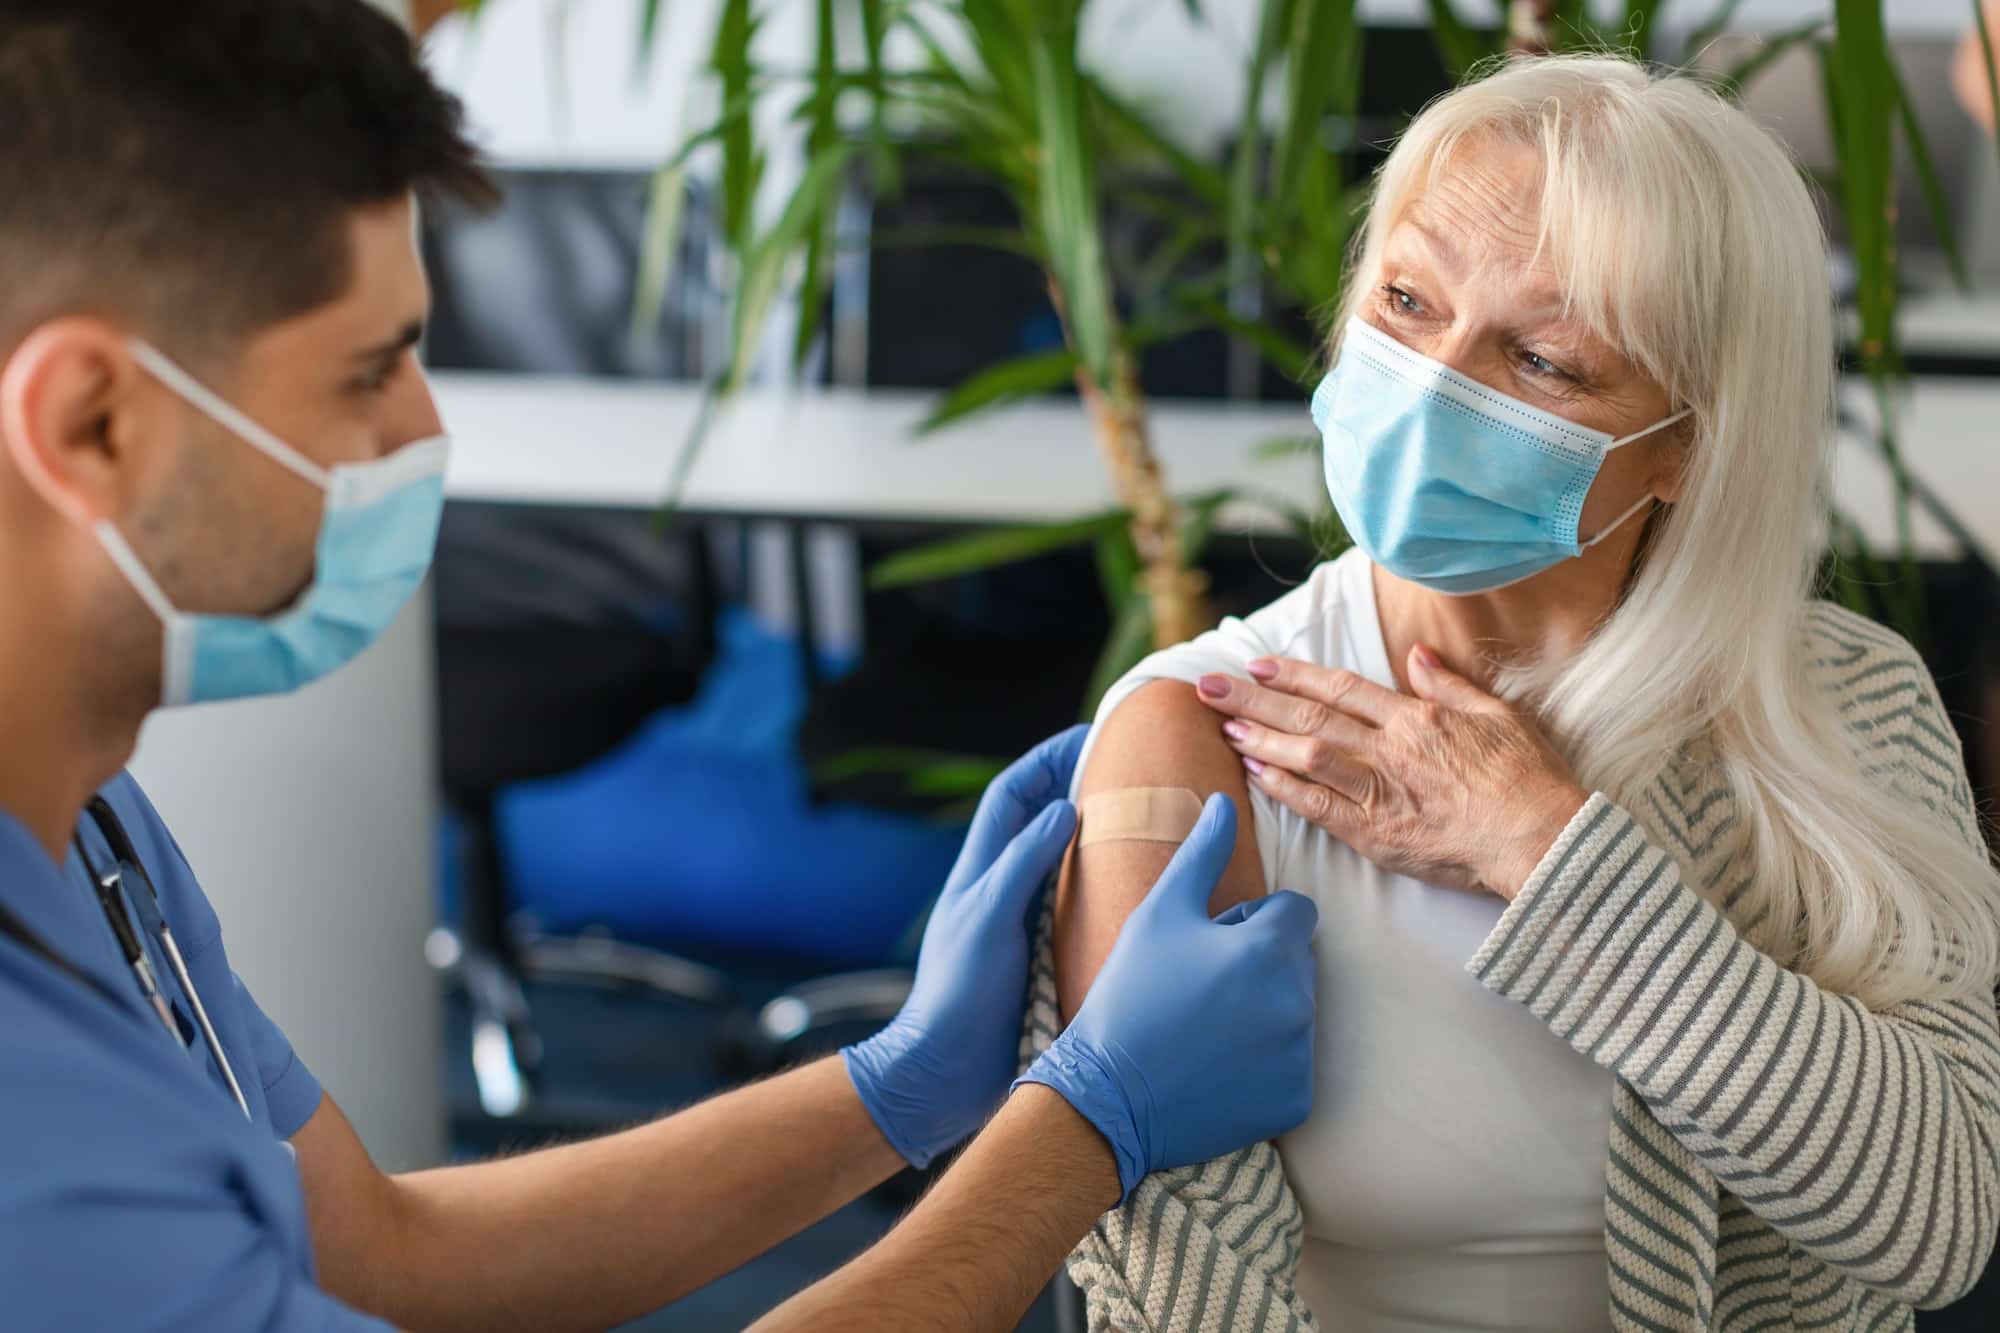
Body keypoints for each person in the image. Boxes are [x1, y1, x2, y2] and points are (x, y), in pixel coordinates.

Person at [0, 3, 1321, 1330]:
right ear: (89, 421)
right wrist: (1083, 1133)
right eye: (369, 371)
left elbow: (379, 1251)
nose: (423, 429)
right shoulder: (32, 1143)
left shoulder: (89, 820)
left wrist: (900, 1082)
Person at [1045, 54, 2000, 1333]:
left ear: (1683, 447)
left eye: (1542, 360)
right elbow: (1180, 1296)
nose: (1431, 380)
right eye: (1403, 297)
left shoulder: (1844, 701)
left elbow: (1932, 1220)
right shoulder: (1204, 730)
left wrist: (1541, 849)